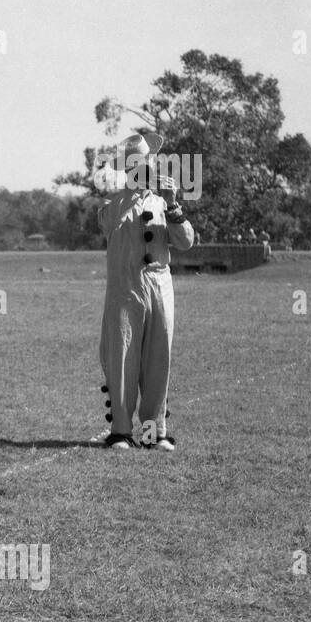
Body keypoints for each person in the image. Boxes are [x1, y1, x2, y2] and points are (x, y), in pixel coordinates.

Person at [97, 132, 195, 450]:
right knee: (122, 357)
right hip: (125, 289)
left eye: (147, 163)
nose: (143, 169)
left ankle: (153, 434)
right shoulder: (114, 203)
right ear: (127, 169)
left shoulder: (165, 200)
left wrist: (174, 202)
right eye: (135, 165)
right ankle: (121, 432)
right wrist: (133, 191)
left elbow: (186, 242)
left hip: (160, 286)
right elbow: (109, 221)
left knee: (158, 360)